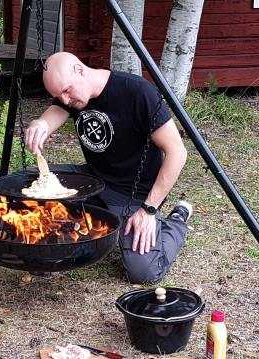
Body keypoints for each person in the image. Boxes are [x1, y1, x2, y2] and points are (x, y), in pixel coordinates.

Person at [25, 52, 192, 283]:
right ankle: (72, 232)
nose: (64, 99)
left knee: (142, 271)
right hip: (94, 180)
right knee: (28, 182)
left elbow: (177, 152)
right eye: (57, 95)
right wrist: (41, 123)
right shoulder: (73, 96)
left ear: (80, 70)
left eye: (66, 91)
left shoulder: (137, 92)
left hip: (133, 194)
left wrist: (149, 209)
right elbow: (57, 110)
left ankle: (176, 220)